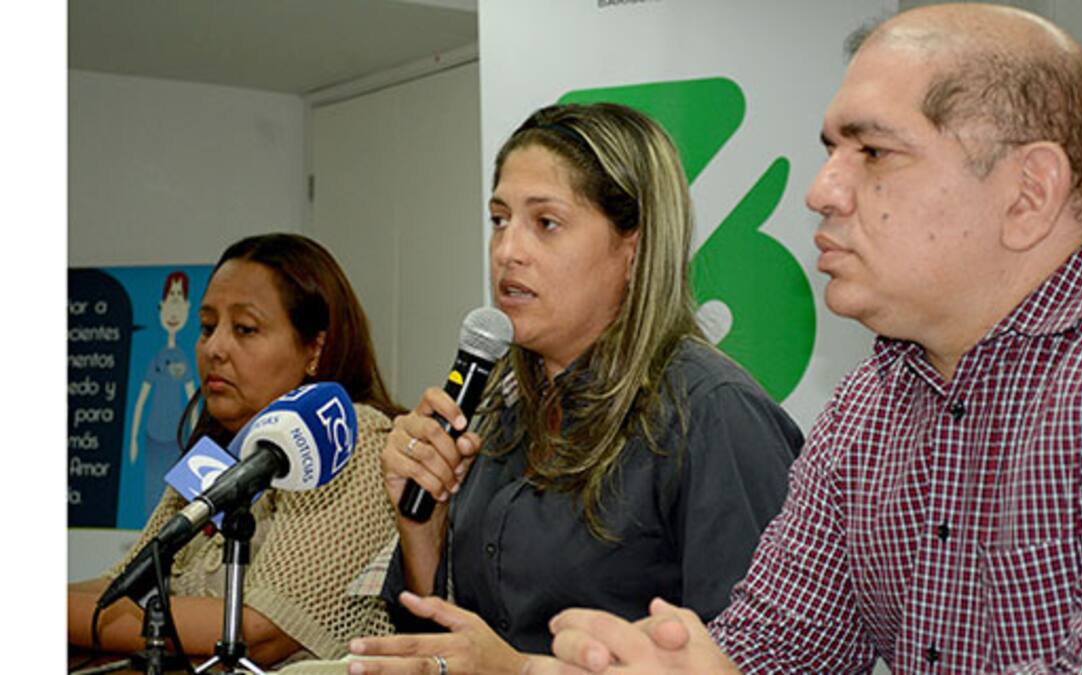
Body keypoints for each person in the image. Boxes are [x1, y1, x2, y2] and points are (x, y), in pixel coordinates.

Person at [529, 3, 1082, 673]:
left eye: (874, 152)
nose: (821, 191)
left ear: (1029, 193)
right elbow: (784, 641)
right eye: (831, 152)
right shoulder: (870, 401)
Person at [345, 103, 803, 674]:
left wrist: (516, 671)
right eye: (499, 220)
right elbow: (441, 646)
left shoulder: (713, 412)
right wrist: (422, 525)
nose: (507, 251)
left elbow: (758, 662)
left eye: (546, 223)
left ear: (633, 248)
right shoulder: (495, 406)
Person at [68, 233, 406, 667]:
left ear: (315, 349)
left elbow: (258, 630)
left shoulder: (348, 437)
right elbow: (123, 587)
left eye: (244, 329)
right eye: (208, 327)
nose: (214, 348)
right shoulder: (218, 450)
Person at [128, 270, 198, 519]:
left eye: (179, 300)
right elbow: (141, 400)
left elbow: (193, 403)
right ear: (161, 307)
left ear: (188, 308)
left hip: (176, 440)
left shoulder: (185, 360)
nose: (174, 310)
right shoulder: (156, 358)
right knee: (153, 493)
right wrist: (134, 438)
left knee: (178, 501)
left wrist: (195, 442)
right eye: (170, 300)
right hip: (153, 435)